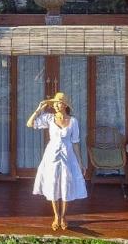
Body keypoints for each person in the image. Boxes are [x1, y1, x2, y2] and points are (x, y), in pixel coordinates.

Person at [26, 91, 86, 231]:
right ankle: (56, 216)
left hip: (68, 156)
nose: (56, 105)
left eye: (58, 103)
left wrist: (80, 162)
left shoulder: (73, 121)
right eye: (54, 103)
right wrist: (39, 109)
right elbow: (30, 124)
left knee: (66, 185)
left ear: (65, 105)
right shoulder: (49, 118)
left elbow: (76, 143)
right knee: (53, 184)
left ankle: (64, 216)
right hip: (51, 156)